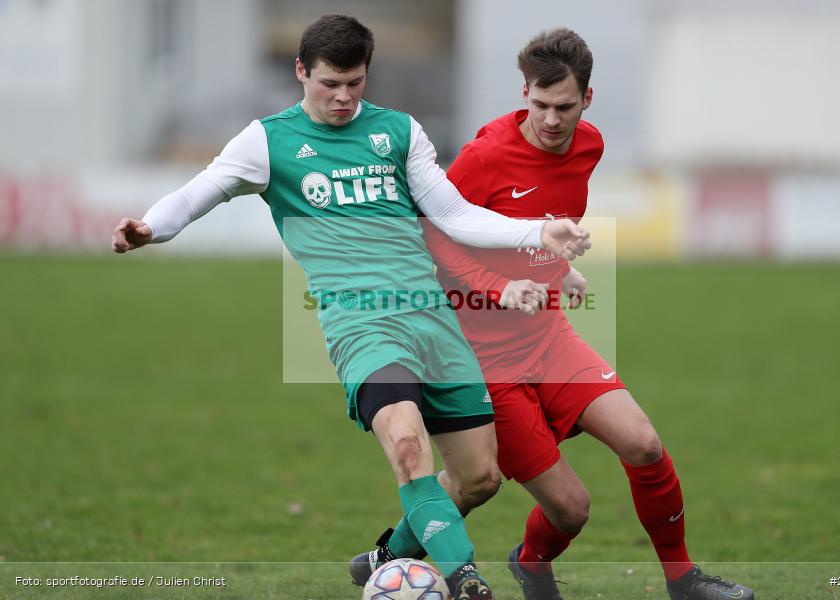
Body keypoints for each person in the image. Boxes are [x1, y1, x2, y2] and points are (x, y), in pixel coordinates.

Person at [110, 15, 592, 600]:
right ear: (301, 73)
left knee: (480, 478)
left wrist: (535, 234)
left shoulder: (399, 132)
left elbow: (455, 214)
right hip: (361, 325)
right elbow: (194, 195)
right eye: (329, 84)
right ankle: (465, 579)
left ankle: (390, 560)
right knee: (407, 443)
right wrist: (149, 228)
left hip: (432, 319)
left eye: (355, 84)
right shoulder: (268, 142)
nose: (342, 98)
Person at [349, 28, 754, 600]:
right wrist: (499, 286)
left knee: (643, 445)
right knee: (569, 508)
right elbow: (434, 236)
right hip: (484, 361)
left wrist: (555, 270)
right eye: (538, 104)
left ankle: (680, 580)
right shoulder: (485, 157)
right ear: (524, 93)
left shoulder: (590, 145)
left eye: (564, 106)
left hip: (547, 336)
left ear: (586, 99)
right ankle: (410, 556)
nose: (550, 119)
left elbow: (544, 218)